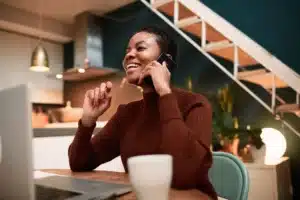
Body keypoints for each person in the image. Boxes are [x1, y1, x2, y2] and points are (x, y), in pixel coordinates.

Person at [68, 26, 217, 200]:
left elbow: (182, 175)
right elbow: (80, 163)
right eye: (128, 50)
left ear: (165, 61)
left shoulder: (195, 104)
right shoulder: (127, 113)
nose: (129, 55)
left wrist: (164, 92)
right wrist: (87, 120)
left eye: (140, 48)